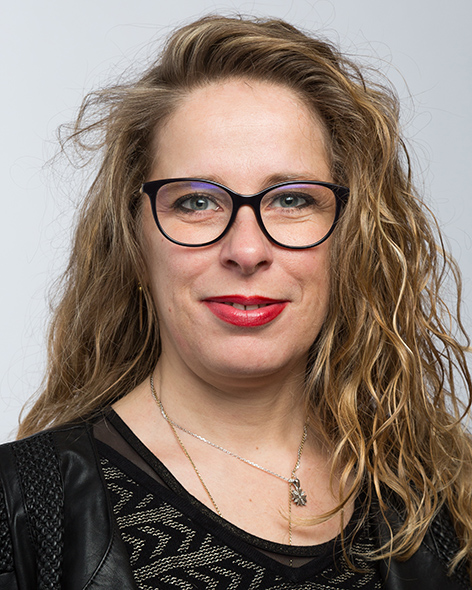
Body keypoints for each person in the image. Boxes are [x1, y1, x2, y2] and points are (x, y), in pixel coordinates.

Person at [0, 14, 471, 590]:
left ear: (352, 237)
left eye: (292, 199)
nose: (246, 251)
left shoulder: (446, 502)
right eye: (197, 202)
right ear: (134, 240)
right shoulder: (20, 510)